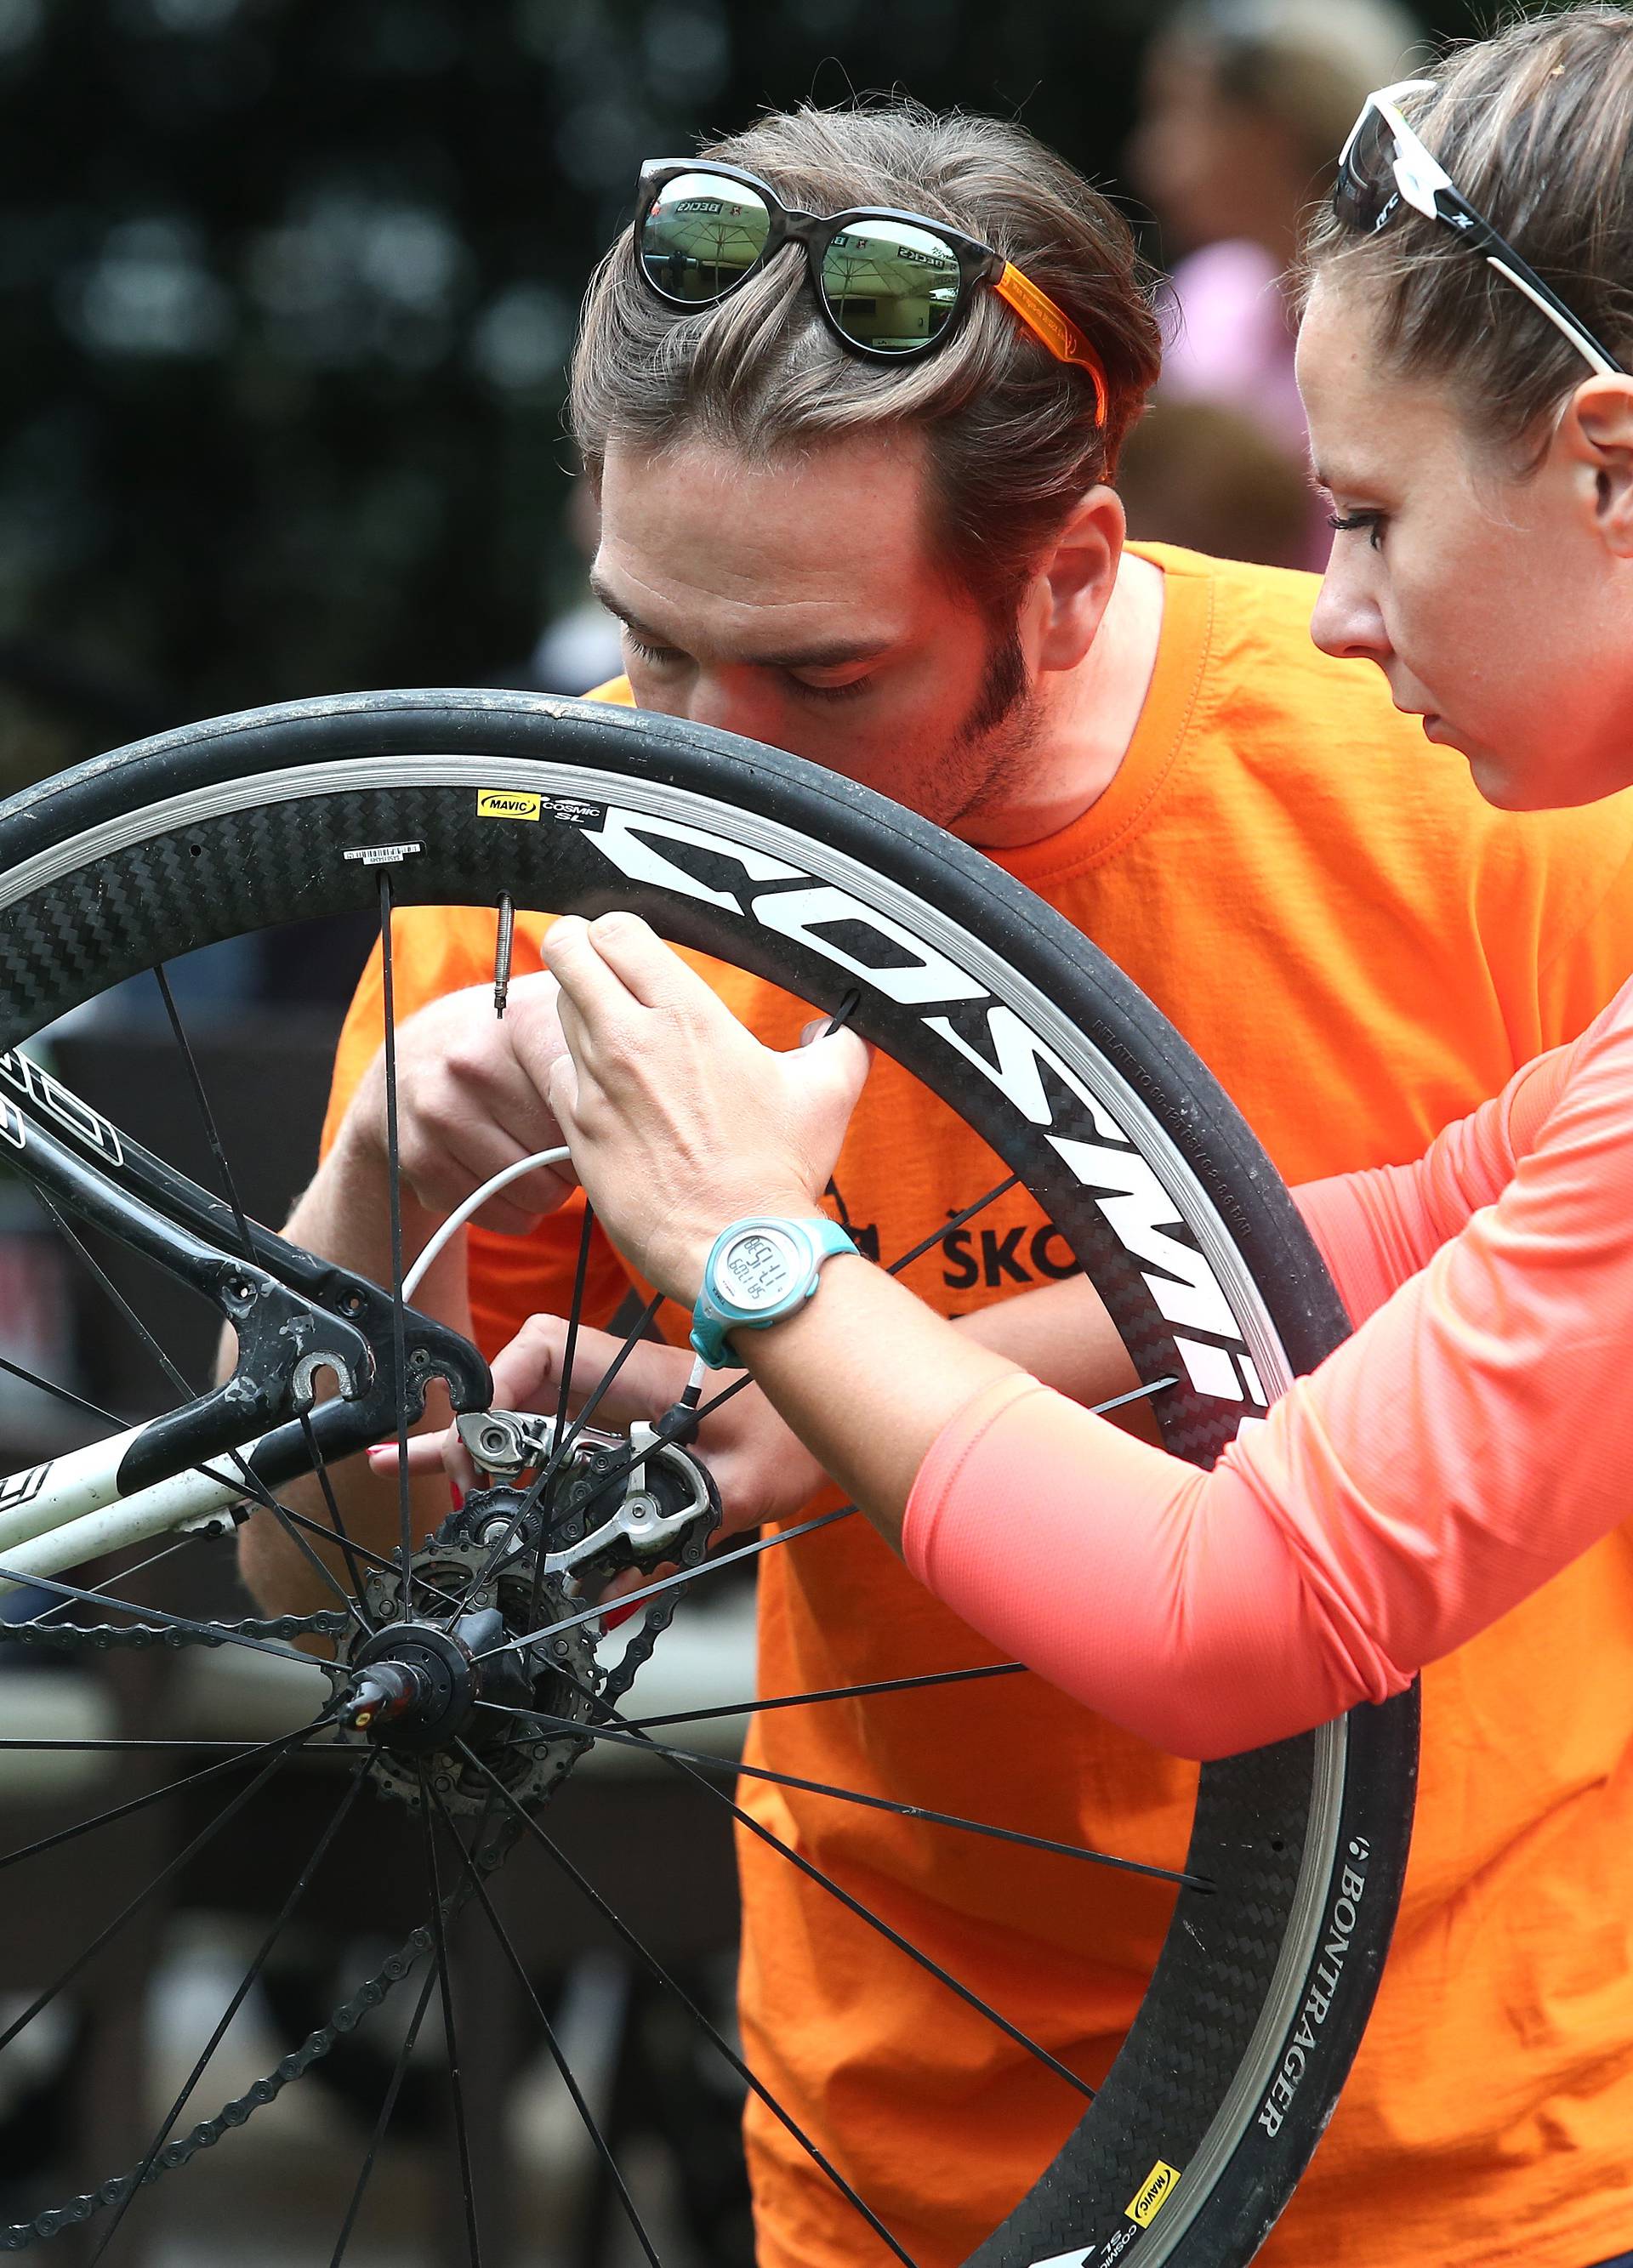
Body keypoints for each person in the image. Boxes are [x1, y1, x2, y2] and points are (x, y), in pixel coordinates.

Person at [266, 78, 1633, 2268]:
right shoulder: (543, 876)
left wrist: (765, 1264)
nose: (693, 769)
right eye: (645, 643)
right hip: (913, 2167)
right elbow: (1398, 1229)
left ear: (1071, 578)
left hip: (1494, 2161)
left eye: (824, 674)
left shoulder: (1490, 778)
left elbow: (1243, 1612)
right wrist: (367, 1211)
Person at [1122, 0, 1422, 566]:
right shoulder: (1210, 293)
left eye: (1180, 113)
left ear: (1271, 130)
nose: (1150, 156)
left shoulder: (1412, 331)